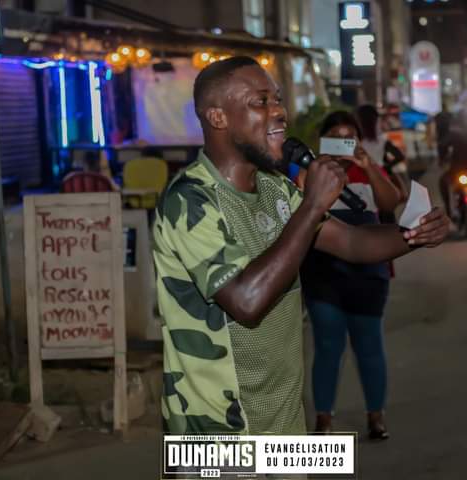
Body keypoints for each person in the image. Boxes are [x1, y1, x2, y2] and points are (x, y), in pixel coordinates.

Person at [152, 56, 450, 435]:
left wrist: (413, 234)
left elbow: (352, 241)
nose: (279, 112)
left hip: (283, 421)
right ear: (218, 118)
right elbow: (246, 301)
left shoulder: (274, 188)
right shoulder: (190, 200)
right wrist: (311, 204)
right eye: (260, 102)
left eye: (277, 100)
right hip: (218, 430)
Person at [295, 111, 401, 440]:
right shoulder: (310, 173)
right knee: (328, 344)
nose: (344, 142)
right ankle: (324, 419)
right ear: (323, 140)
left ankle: (376, 415)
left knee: (369, 342)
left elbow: (391, 202)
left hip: (368, 271)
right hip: (323, 270)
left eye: (349, 136)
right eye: (336, 136)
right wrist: (318, 169)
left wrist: (369, 168)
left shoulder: (369, 170)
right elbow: (299, 207)